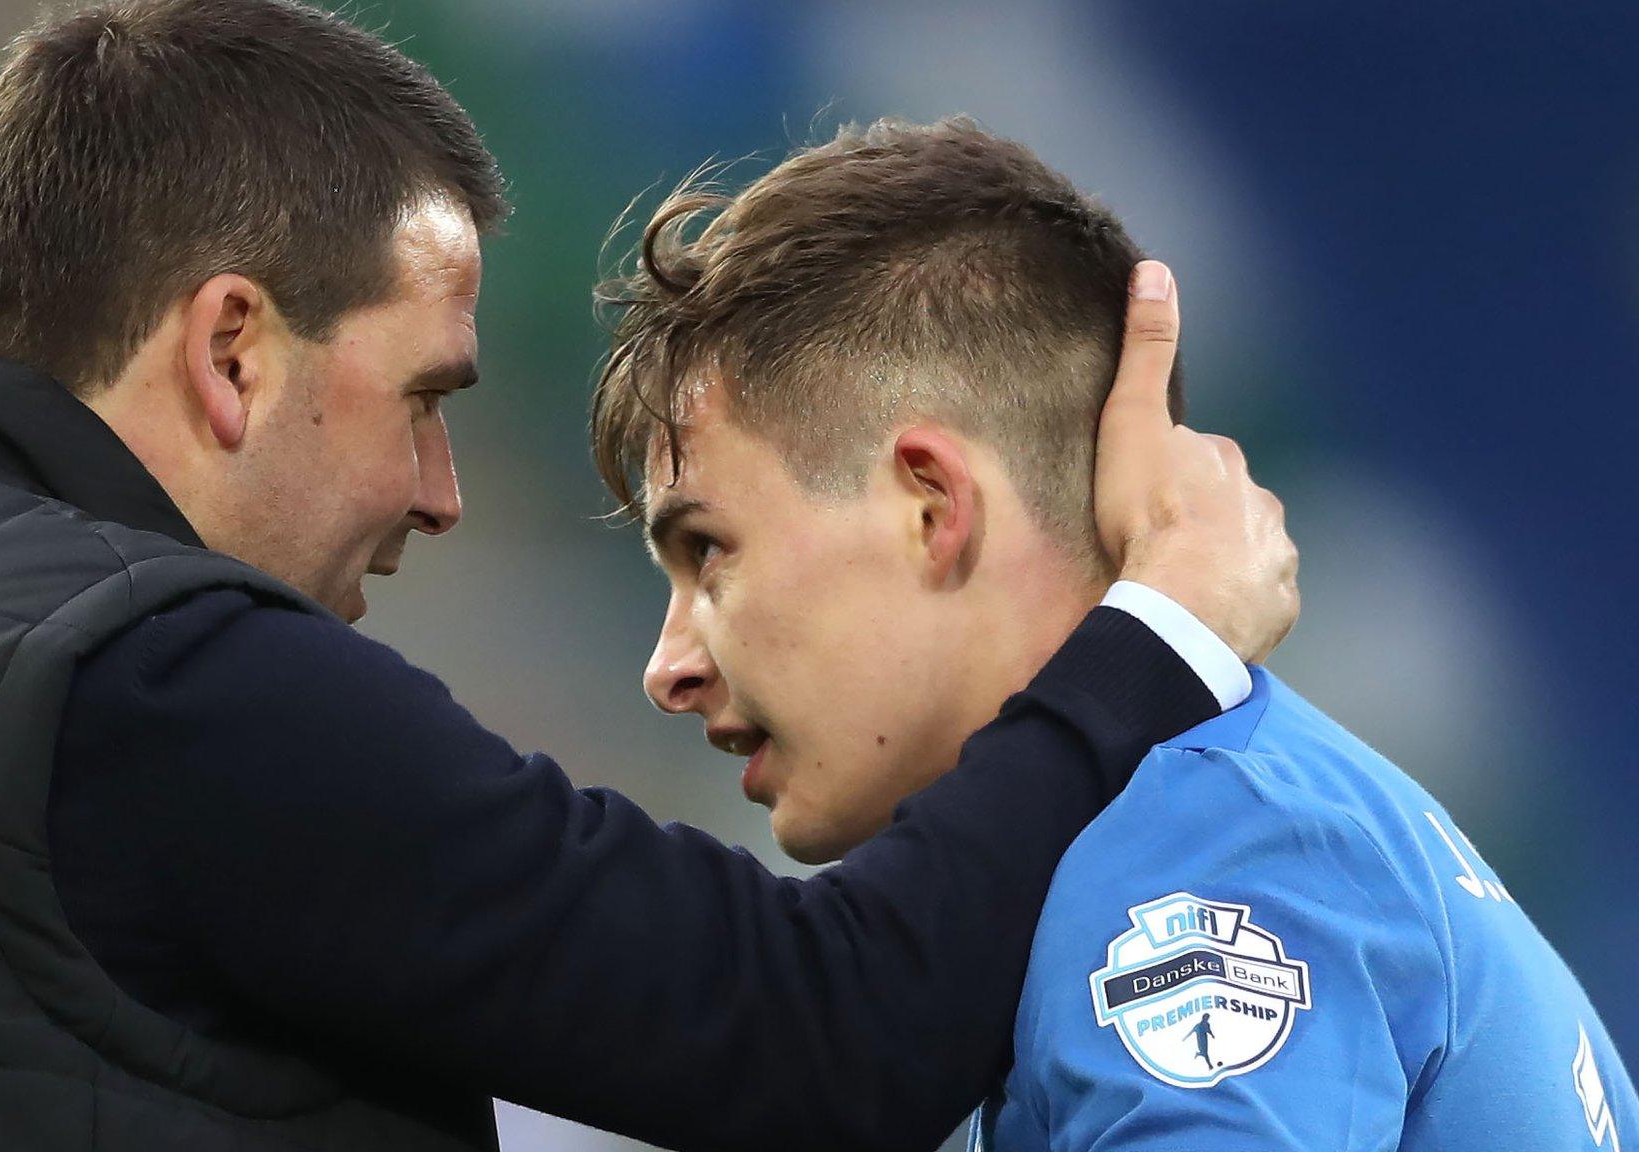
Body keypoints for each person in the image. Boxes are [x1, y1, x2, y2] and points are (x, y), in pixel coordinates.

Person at [0, 5, 1297, 1152]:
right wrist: (1148, 640)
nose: (439, 492)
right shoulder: (162, 684)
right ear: (235, 351)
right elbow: (820, 1031)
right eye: (423, 396)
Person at [595, 115, 1635, 1150]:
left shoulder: (1197, 854)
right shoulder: (1209, 817)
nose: (668, 668)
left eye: (707, 554)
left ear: (929, 507)